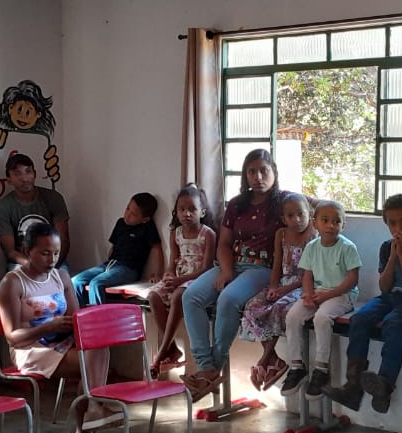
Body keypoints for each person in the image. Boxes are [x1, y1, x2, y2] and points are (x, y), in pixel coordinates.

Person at [0, 223, 120, 433]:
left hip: (60, 341)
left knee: (98, 346)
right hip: (30, 349)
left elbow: (75, 318)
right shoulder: (13, 282)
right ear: (27, 250)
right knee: (88, 362)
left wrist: (87, 326)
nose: (52, 259)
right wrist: (48, 327)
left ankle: (92, 412)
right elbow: (12, 337)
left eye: (56, 253)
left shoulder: (61, 276)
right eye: (44, 253)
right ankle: (86, 430)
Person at [181, 149, 283, 402]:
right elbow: (224, 244)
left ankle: (210, 371)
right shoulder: (237, 204)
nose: (258, 177)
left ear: (274, 172)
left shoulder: (283, 202)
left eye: (263, 171)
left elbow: (311, 207)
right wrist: (226, 271)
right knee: (190, 296)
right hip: (233, 264)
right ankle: (206, 366)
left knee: (228, 299)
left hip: (263, 269)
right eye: (251, 171)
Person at [324, 193, 402, 413]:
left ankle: (385, 383)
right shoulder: (387, 247)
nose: (399, 228)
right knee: (359, 319)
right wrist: (394, 256)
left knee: (393, 323)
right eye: (392, 223)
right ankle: (353, 386)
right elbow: (384, 287)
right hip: (391, 297)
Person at [278, 201, 360, 400]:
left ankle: (322, 369)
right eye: (325, 220)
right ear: (315, 223)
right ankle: (296, 366)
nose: (331, 225)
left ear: (343, 225)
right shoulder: (312, 246)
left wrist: (326, 296)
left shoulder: (347, 247)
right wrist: (307, 294)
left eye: (336, 221)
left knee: (322, 318)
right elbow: (307, 275)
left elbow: (352, 280)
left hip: (342, 295)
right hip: (317, 292)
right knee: (292, 316)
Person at [241, 192, 317, 391]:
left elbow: (308, 274)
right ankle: (274, 361)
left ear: (309, 213)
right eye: (290, 216)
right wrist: (274, 287)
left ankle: (264, 359)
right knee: (253, 305)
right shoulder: (281, 234)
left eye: (301, 214)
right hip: (283, 283)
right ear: (283, 219)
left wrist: (284, 290)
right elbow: (276, 265)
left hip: (303, 286)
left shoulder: (313, 235)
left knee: (279, 308)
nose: (296, 219)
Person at [146, 184, 217, 374]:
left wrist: (179, 281)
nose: (187, 213)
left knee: (178, 296)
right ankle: (172, 349)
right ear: (176, 212)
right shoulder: (175, 233)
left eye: (192, 209)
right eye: (182, 209)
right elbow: (172, 261)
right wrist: (169, 275)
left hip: (197, 279)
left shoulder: (208, 234)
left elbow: (207, 269)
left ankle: (161, 353)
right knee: (153, 296)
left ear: (202, 212)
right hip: (179, 277)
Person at [71, 192, 162, 307]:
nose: (127, 215)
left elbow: (157, 249)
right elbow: (113, 247)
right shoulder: (120, 223)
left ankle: (98, 316)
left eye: (133, 214)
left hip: (128, 269)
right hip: (110, 264)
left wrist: (158, 274)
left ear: (145, 219)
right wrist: (107, 268)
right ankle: (81, 315)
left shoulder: (147, 227)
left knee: (96, 283)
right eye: (127, 208)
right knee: (76, 281)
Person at [0, 152, 71, 271]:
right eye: (17, 173)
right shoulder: (3, 207)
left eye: (28, 171)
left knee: (63, 278)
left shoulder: (54, 198)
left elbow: (63, 240)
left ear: (35, 174)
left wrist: (51, 265)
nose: (24, 178)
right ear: (9, 179)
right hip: (23, 263)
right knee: (16, 277)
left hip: (54, 261)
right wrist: (33, 266)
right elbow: (10, 252)